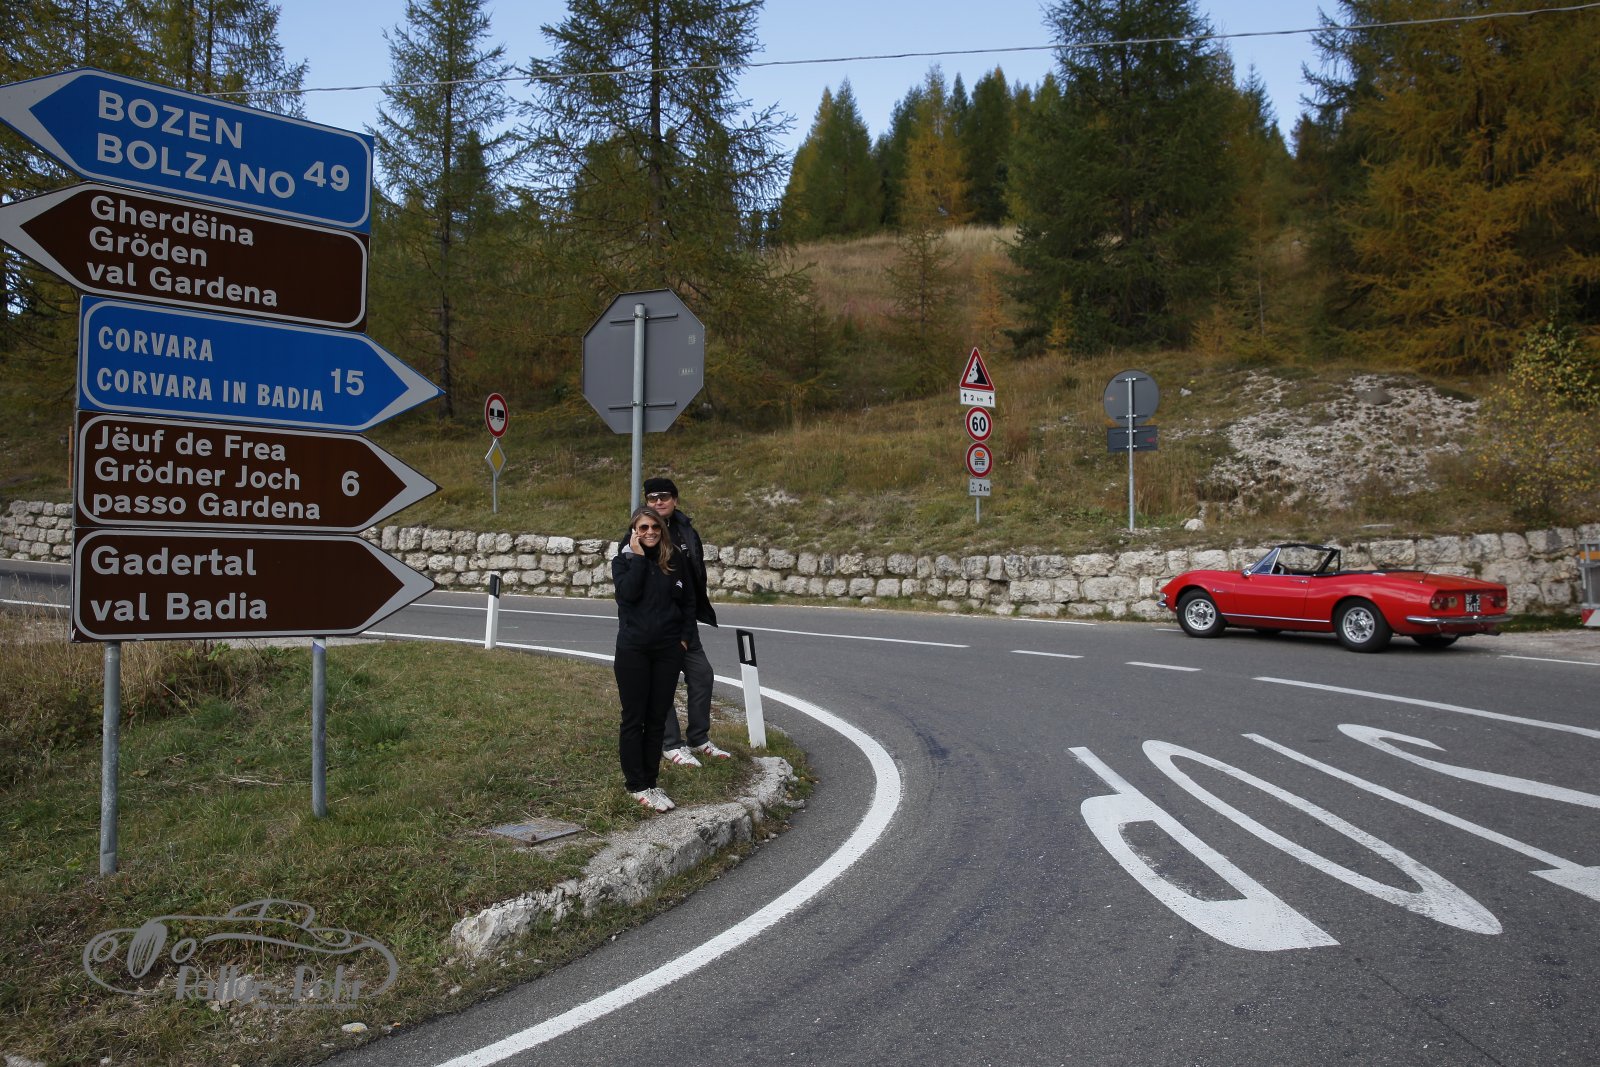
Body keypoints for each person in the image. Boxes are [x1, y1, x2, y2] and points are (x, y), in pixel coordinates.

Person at [639, 476, 730, 768]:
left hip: (684, 621)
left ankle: (698, 738)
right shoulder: (641, 532)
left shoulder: (686, 530)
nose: (658, 502)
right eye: (652, 497)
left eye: (664, 496)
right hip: (655, 626)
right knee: (662, 682)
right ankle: (670, 744)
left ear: (675, 500)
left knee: (702, 675)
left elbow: (694, 576)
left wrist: (690, 619)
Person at [612, 506, 697, 813]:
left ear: (662, 529)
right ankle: (636, 785)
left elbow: (689, 602)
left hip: (668, 651)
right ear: (634, 532)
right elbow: (627, 595)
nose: (650, 532)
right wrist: (636, 557)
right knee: (634, 718)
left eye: (655, 527)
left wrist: (683, 639)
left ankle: (651, 781)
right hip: (633, 650)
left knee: (657, 717)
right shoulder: (622, 561)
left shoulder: (674, 561)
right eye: (643, 528)